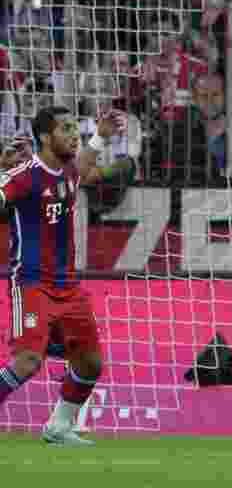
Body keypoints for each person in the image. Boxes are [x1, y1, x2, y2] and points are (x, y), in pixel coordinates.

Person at [0, 105, 121, 445]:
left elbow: (82, 168)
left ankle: (59, 427)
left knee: (90, 363)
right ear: (44, 136)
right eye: (66, 128)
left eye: (75, 128)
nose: (73, 134)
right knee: (26, 362)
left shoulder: (67, 171)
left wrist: (101, 136)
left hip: (68, 286)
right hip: (32, 283)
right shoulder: (22, 175)